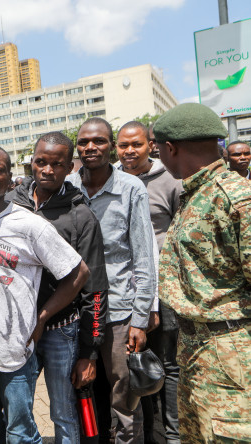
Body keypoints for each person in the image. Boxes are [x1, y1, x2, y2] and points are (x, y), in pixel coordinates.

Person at [0, 143, 89, 444]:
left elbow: (78, 273)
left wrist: (42, 317)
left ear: (11, 180)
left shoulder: (29, 224)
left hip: (14, 350)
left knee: (19, 432)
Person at [154, 103, 251, 443]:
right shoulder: (195, 195)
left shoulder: (235, 198)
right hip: (197, 348)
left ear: (170, 148)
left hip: (230, 353)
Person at [10, 132, 109, 443]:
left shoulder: (81, 216)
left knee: (64, 413)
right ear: (31, 163)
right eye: (41, 162)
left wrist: (89, 353)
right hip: (17, 330)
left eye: (56, 164)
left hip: (61, 330)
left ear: (70, 168)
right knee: (16, 411)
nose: (47, 170)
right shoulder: (10, 206)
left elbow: (93, 288)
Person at [68, 117, 156, 443]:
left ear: (111, 146)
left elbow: (144, 256)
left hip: (119, 312)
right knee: (82, 393)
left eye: (100, 141)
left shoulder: (131, 189)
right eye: (84, 142)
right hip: (75, 311)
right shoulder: (66, 187)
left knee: (126, 398)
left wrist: (141, 318)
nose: (91, 147)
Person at [116, 121, 182, 443]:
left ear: (150, 146)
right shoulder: (112, 179)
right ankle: (149, 432)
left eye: (136, 145)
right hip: (125, 290)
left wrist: (156, 297)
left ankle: (173, 434)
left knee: (167, 364)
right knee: (137, 365)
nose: (130, 152)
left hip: (163, 287)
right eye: (123, 146)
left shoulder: (169, 180)